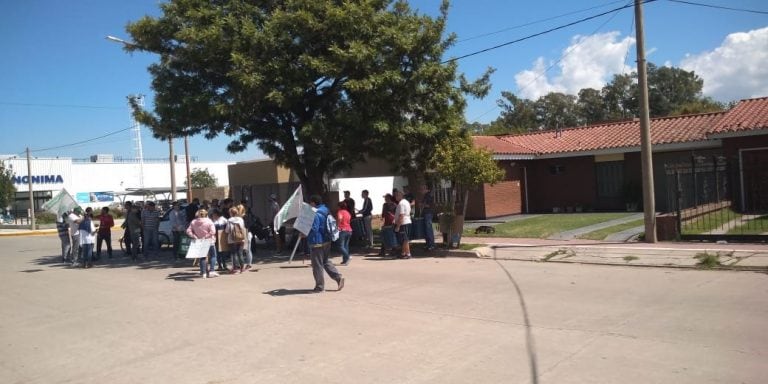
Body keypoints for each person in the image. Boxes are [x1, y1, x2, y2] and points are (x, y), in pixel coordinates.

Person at [305, 195, 344, 292]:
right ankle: (338, 278)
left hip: (316, 242)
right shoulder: (325, 210)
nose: (310, 204)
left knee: (317, 264)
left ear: (313, 202)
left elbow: (314, 228)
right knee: (325, 261)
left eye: (310, 202)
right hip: (326, 240)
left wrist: (304, 233)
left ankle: (319, 287)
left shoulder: (314, 213)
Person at [186, 209, 219, 278]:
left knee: (202, 257)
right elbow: (213, 231)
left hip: (199, 241)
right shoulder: (209, 221)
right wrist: (206, 236)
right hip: (209, 241)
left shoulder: (193, 222)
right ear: (206, 214)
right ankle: (212, 271)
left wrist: (194, 236)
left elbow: (188, 231)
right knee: (213, 256)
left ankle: (203, 272)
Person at [226, 206, 247, 274]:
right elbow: (243, 227)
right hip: (241, 238)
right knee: (240, 253)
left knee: (234, 254)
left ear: (231, 213)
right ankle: (242, 268)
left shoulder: (229, 220)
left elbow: (227, 230)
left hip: (232, 239)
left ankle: (235, 268)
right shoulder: (241, 219)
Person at [394, 190, 412, 259]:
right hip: (407, 221)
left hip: (404, 223)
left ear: (400, 196)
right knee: (405, 239)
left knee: (405, 239)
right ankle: (403, 253)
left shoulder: (401, 203)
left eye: (397, 195)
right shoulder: (406, 202)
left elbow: (401, 215)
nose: (395, 197)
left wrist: (398, 226)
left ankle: (408, 254)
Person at [419, 185, 436, 251]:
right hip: (425, 213)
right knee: (426, 230)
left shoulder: (429, 195)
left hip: (428, 213)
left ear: (425, 189)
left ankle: (432, 245)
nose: (420, 191)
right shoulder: (426, 195)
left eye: (421, 189)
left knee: (429, 230)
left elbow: (429, 205)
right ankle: (428, 244)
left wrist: (421, 204)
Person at [336, 201, 353, 266]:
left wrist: (337, 226)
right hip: (349, 230)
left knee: (340, 246)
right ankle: (345, 260)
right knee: (346, 245)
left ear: (339, 206)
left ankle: (348, 257)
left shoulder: (340, 212)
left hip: (342, 230)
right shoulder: (347, 213)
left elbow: (340, 219)